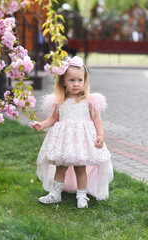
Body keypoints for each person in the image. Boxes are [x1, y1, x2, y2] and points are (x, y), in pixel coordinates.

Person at [32, 56, 113, 208]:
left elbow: (97, 119)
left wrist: (100, 135)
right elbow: (54, 118)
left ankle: (81, 196)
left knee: (80, 167)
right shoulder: (59, 101)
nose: (76, 84)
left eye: (79, 80)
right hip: (64, 140)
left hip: (82, 140)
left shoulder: (89, 101)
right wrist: (42, 125)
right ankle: (55, 194)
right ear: (63, 81)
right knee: (60, 166)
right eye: (71, 80)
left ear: (85, 81)